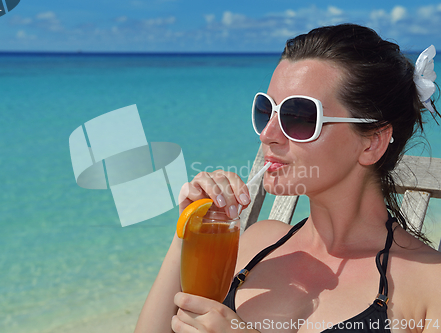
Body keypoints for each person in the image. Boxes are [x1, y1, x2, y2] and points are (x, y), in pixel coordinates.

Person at [134, 23, 441, 333]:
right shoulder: (254, 243)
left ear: (371, 142)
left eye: (299, 117)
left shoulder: (429, 284)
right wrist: (188, 231)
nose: (268, 134)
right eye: (266, 111)